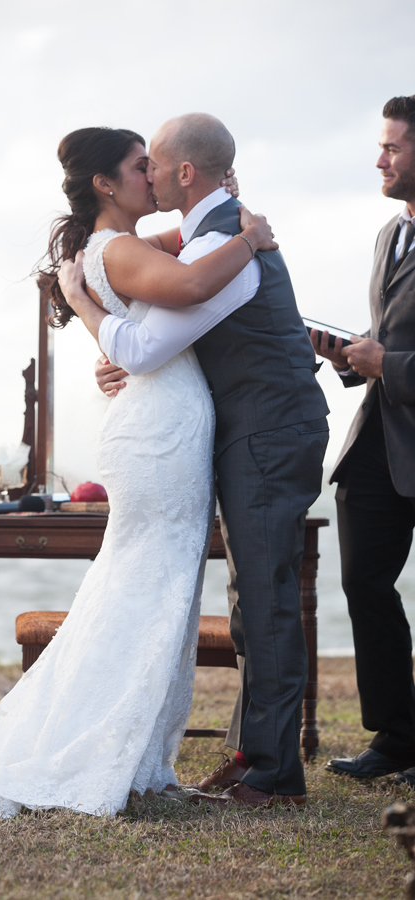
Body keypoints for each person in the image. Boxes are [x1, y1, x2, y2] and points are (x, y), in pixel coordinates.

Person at [0, 126, 276, 818]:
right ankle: (100, 746)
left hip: (164, 425)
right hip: (160, 433)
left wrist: (223, 197)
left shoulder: (119, 245)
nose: (154, 176)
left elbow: (187, 241)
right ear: (106, 186)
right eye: (140, 168)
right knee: (145, 587)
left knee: (155, 588)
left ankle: (137, 750)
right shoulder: (115, 249)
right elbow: (197, 278)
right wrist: (252, 239)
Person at [59, 113, 329, 809]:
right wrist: (114, 349)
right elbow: (150, 328)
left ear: (183, 173)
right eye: (136, 166)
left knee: (264, 598)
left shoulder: (227, 240)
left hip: (269, 431)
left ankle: (272, 773)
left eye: (154, 164)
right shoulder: (214, 234)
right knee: (252, 599)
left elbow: (148, 344)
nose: (145, 175)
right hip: (243, 430)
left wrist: (98, 321)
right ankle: (253, 755)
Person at [310, 95, 415, 783]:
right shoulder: (388, 235)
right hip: (380, 437)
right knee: (363, 582)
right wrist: (350, 355)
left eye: (393, 147)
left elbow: (398, 354)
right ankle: (397, 739)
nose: (379, 158)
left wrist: (392, 364)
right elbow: (390, 340)